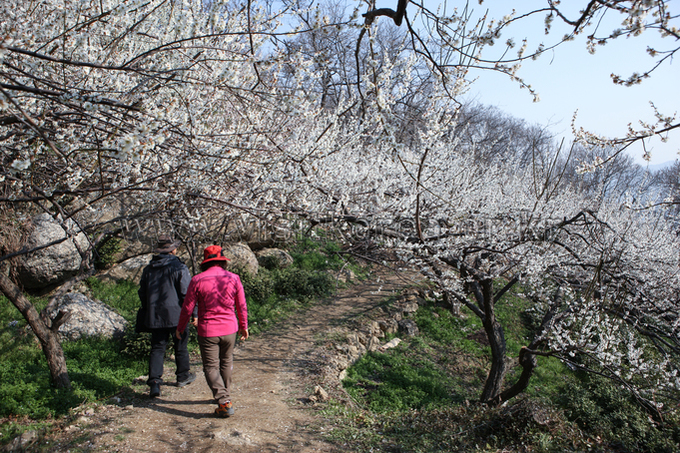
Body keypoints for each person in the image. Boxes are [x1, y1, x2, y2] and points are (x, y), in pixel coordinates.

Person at [176, 244, 249, 418]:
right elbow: (241, 305)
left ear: (205, 262)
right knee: (225, 361)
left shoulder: (197, 280)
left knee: (210, 366)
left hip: (208, 330)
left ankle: (223, 400)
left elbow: (187, 308)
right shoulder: (234, 278)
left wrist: (180, 327)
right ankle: (225, 395)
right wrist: (243, 326)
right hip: (230, 328)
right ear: (222, 261)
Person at [138, 235, 197, 398]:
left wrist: (148, 307)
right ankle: (182, 376)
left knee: (157, 348)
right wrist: (194, 313)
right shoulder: (179, 267)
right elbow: (187, 293)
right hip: (177, 314)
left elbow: (142, 292)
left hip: (155, 314)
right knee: (181, 345)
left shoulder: (149, 268)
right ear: (173, 249)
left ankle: (155, 382)